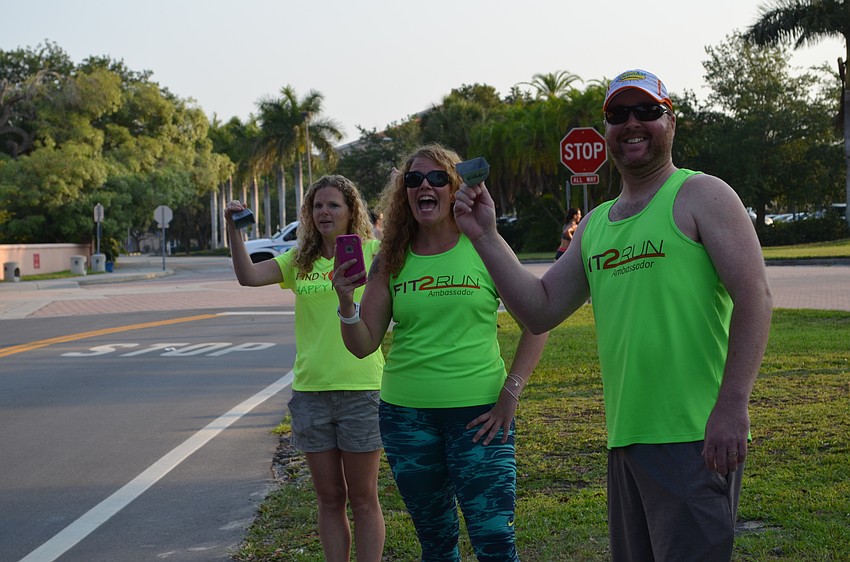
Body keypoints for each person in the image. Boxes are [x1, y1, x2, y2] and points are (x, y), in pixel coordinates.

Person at [453, 69, 773, 561]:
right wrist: (484, 236)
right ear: (606, 130)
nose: (632, 123)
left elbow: (754, 298)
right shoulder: (597, 224)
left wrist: (732, 404)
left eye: (647, 111)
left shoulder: (701, 195)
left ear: (671, 123)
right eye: (618, 115)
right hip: (626, 439)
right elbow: (539, 310)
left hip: (695, 436)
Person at [332, 144, 548, 561]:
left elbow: (537, 322)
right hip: (406, 419)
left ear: (455, 188)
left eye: (436, 178)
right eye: (413, 180)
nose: (423, 186)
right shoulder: (390, 260)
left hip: (482, 418)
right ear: (404, 193)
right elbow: (363, 345)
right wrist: (345, 303)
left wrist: (511, 394)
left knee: (496, 544)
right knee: (436, 544)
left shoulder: (484, 246)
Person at [224, 175, 385, 562]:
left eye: (333, 205)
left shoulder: (376, 252)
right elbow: (248, 277)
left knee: (364, 498)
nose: (324, 212)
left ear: (351, 211)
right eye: (317, 206)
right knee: (329, 498)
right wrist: (234, 230)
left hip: (362, 388)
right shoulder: (300, 261)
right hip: (311, 393)